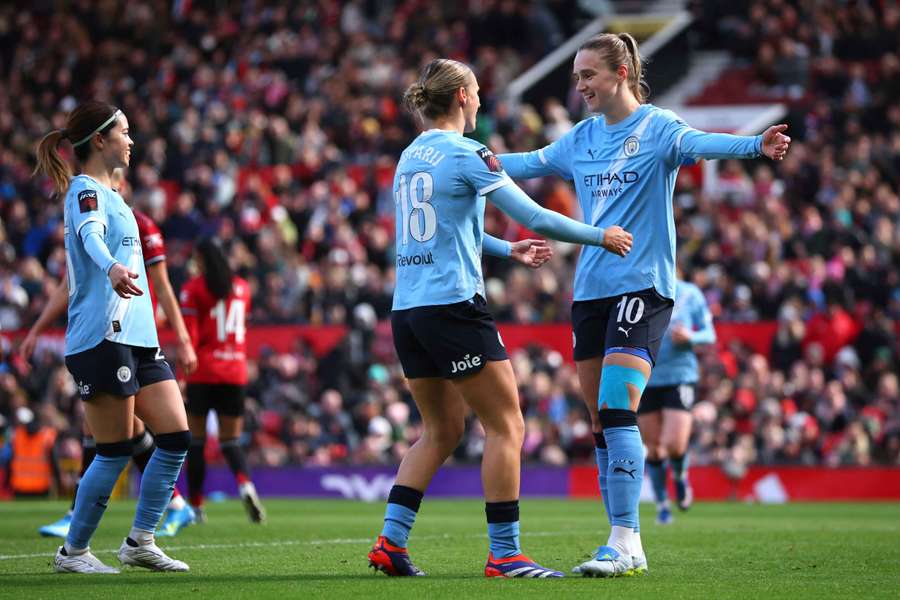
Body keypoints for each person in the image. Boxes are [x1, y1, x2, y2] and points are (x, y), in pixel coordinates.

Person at [497, 33, 790, 577]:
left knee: (615, 408)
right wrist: (470, 160)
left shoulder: (657, 127)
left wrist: (755, 146)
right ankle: (624, 544)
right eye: (577, 76)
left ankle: (624, 540)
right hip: (589, 291)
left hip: (642, 286)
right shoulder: (580, 138)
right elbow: (526, 162)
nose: (579, 85)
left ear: (622, 72)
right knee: (599, 423)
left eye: (588, 75)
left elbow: (703, 143)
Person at [367, 58, 633, 579]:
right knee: (506, 424)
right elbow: (533, 214)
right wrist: (599, 235)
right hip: (453, 307)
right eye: (479, 91)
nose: (484, 99)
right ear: (462, 97)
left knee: (440, 430)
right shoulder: (470, 153)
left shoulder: (409, 157)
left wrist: (506, 251)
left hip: (409, 311)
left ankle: (391, 543)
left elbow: (438, 231)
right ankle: (505, 553)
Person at [33, 100, 191, 573]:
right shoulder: (84, 190)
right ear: (99, 140)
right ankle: (73, 552)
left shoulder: (117, 195)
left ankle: (140, 540)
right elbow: (89, 235)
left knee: (177, 437)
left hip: (140, 337)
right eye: (124, 131)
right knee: (115, 449)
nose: (131, 139)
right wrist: (113, 266)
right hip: (102, 336)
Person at [180, 238, 265, 524]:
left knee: (196, 442)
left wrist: (183, 376)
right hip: (235, 372)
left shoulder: (193, 289)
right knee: (231, 441)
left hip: (202, 371)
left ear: (202, 260)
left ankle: (196, 507)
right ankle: (245, 485)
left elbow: (189, 338)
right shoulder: (243, 288)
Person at [638, 276, 716, 525]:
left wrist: (691, 337)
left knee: (674, 444)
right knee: (653, 447)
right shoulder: (639, 289)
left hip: (680, 375)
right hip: (647, 376)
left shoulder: (689, 293)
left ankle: (681, 477)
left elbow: (709, 333)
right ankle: (662, 504)